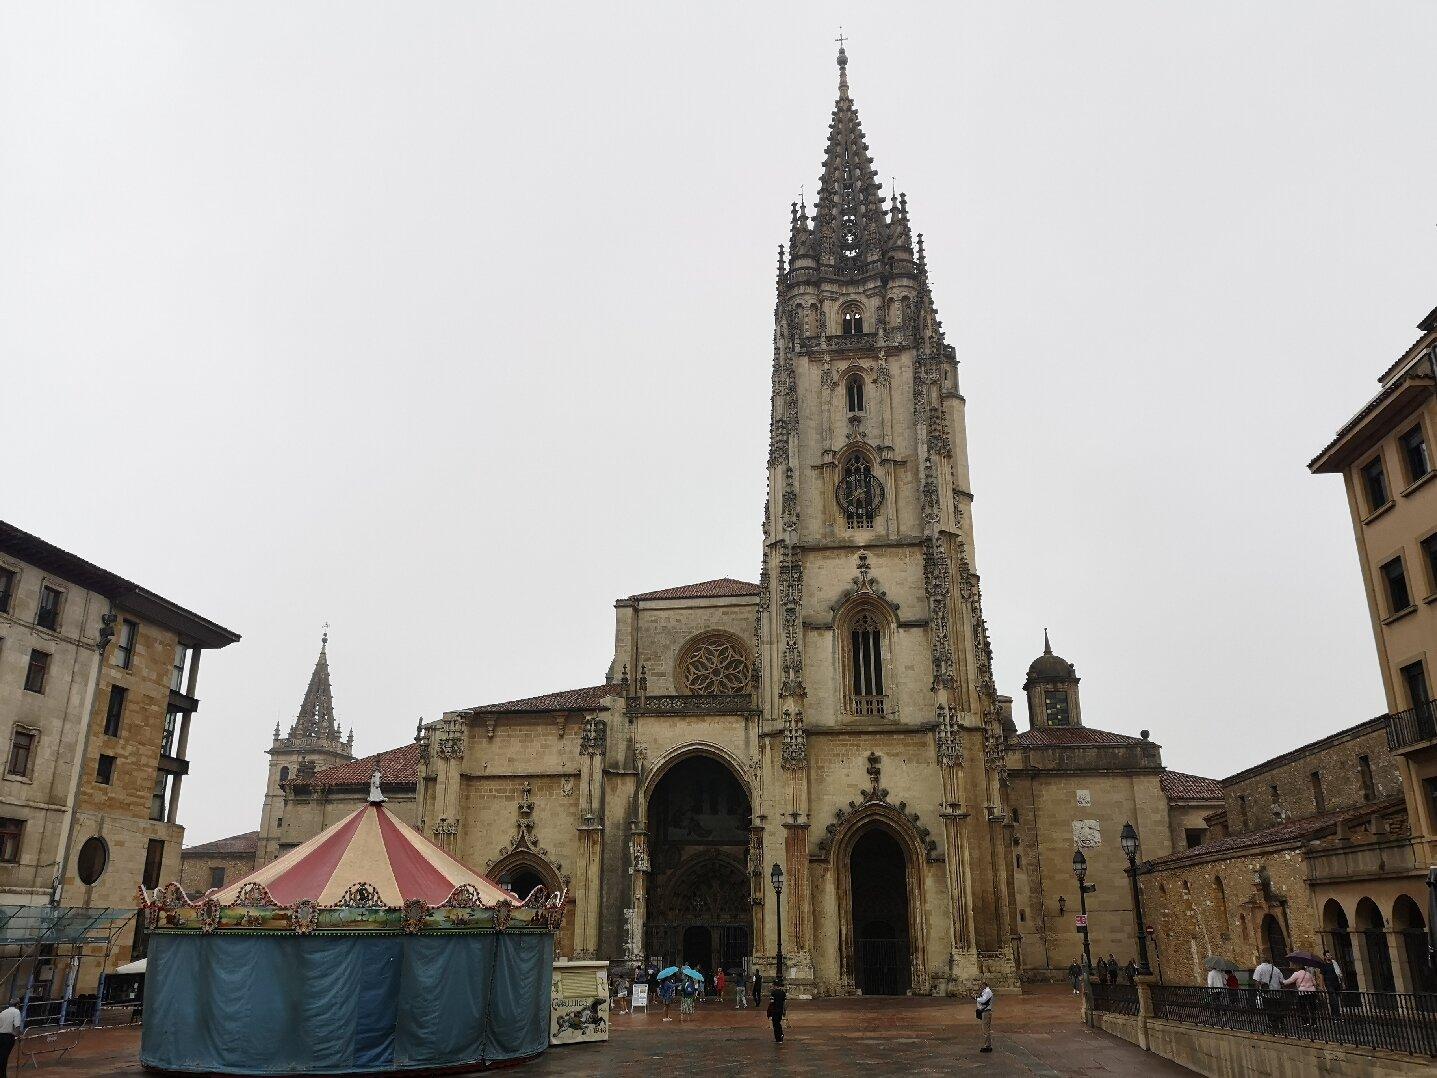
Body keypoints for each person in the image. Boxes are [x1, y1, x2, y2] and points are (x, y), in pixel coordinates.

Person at [0, 999, 20, 1078]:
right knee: (4, 1058)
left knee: (1, 1056)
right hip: (8, 1037)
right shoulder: (16, 1012)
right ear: (17, 1005)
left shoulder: (3, 1012)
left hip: (0, 1036)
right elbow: (17, 1025)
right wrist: (16, 1035)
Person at [975, 978, 994, 1053]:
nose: (980, 987)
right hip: (984, 1012)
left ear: (984, 985)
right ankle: (987, 1045)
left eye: (981, 985)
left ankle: (988, 1046)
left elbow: (983, 1000)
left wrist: (976, 998)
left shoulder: (987, 991)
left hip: (986, 1012)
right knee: (986, 1029)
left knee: (986, 1029)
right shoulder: (985, 991)